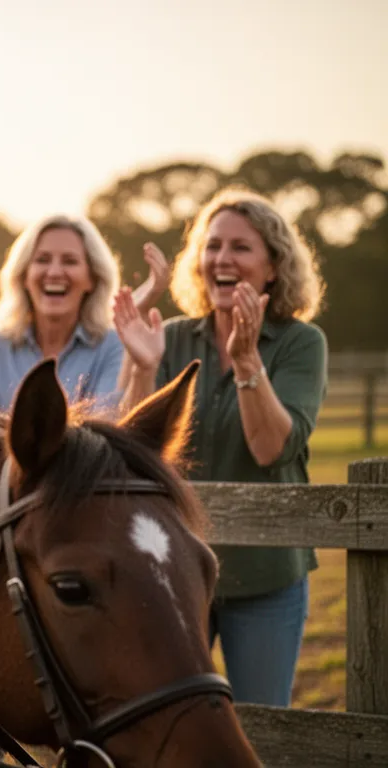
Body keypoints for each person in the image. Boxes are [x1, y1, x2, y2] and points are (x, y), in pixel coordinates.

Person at [113, 186, 327, 706]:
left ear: (273, 267)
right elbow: (129, 447)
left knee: (257, 725)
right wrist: (143, 367)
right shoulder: (173, 337)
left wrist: (249, 361)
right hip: (176, 572)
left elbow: (271, 450)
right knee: (165, 722)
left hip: (266, 579)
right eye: (212, 247)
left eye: (240, 247)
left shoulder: (302, 344)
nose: (222, 259)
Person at [0, 214, 169, 446]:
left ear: (92, 279)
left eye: (70, 261)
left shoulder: (113, 344)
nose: (54, 272)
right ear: (24, 276)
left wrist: (142, 368)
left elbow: (106, 440)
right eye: (42, 260)